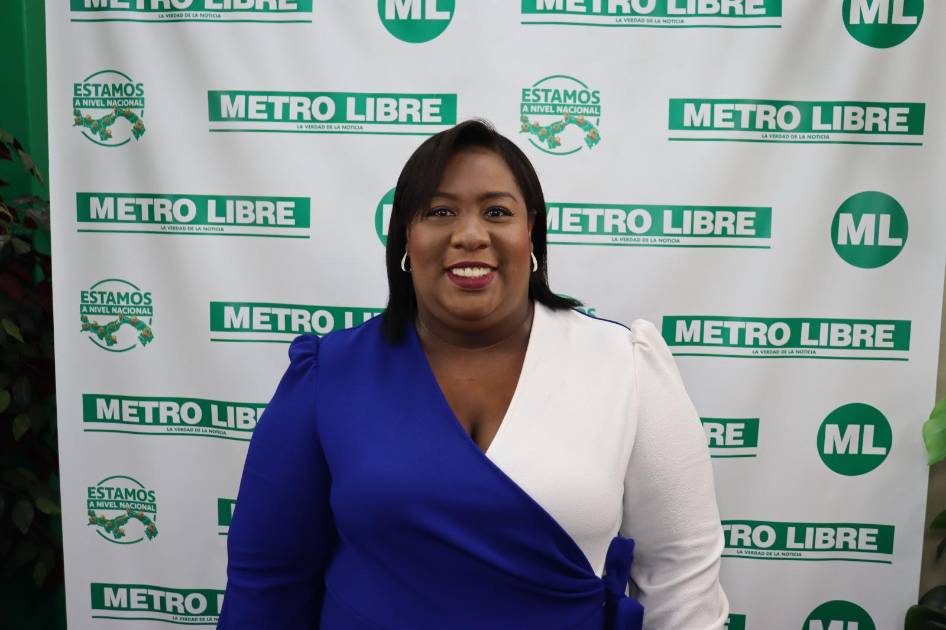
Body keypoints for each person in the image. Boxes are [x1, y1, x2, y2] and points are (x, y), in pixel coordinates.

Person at [218, 120, 729, 629]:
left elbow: (680, 577)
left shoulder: (626, 364)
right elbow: (268, 581)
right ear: (406, 237)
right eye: (440, 212)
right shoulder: (328, 374)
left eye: (497, 212)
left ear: (531, 233)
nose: (469, 235)